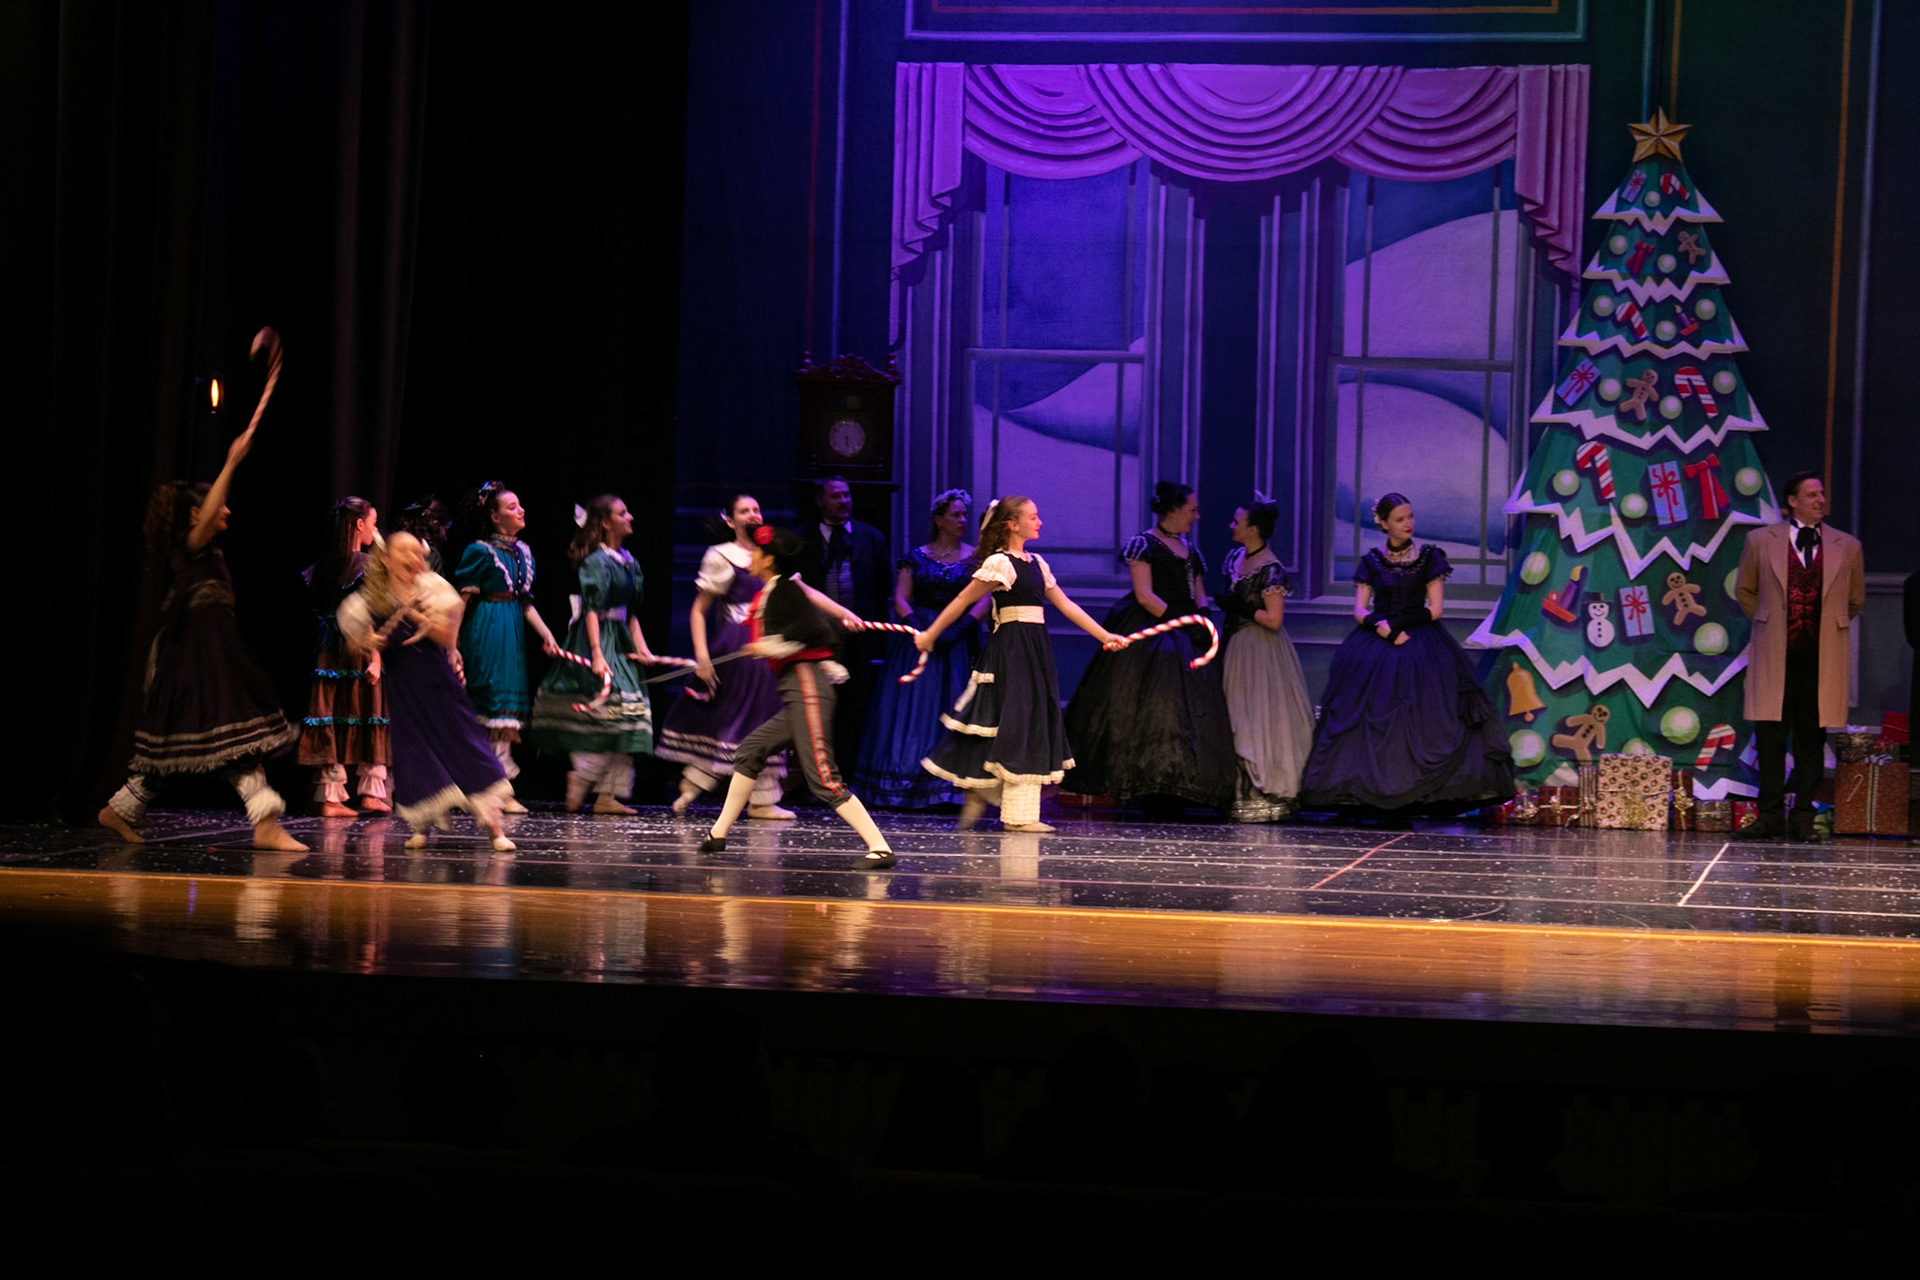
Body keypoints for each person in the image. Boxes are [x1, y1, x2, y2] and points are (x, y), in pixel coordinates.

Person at [97, 423, 306, 851]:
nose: (225, 509)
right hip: (194, 662)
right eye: (216, 505)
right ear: (196, 515)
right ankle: (266, 824)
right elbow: (210, 512)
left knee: (188, 749)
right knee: (236, 743)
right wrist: (231, 461)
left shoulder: (207, 553)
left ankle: (121, 809)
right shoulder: (187, 545)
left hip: (208, 659)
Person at [918, 496, 1128, 833]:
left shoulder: (1037, 563)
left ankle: (996, 797)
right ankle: (1014, 814)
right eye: (1033, 517)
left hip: (1035, 649)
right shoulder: (1000, 563)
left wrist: (1104, 635)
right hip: (1011, 650)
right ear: (1012, 525)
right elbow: (962, 600)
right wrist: (931, 633)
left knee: (1030, 720)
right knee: (1016, 719)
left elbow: (1067, 605)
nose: (1039, 522)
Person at [696, 525, 897, 869]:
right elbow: (812, 627)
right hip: (797, 690)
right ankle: (718, 834)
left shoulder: (783, 591)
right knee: (751, 750)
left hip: (807, 686)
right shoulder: (777, 591)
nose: (751, 558)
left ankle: (880, 847)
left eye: (756, 553)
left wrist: (768, 645)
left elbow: (815, 632)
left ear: (768, 560)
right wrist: (769, 645)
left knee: (822, 776)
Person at [1300, 492, 1515, 813]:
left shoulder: (1429, 557)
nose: (1408, 524)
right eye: (1400, 519)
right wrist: (1383, 628)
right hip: (1377, 641)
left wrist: (1400, 625)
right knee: (1370, 715)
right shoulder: (1372, 561)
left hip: (1420, 641)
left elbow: (1436, 609)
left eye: (1410, 517)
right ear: (1384, 524)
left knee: (1425, 715)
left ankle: (1416, 794)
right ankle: (1371, 793)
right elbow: (1359, 610)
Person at [1062, 481, 1237, 812]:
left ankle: (1180, 787)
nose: (1197, 516)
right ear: (1173, 510)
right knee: (1155, 706)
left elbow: (1199, 592)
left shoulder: (1191, 550)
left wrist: (1202, 617)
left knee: (1189, 709)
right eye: (1192, 510)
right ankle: (1151, 787)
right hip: (1155, 629)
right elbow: (1145, 596)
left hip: (1187, 632)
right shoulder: (1144, 545)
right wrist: (1180, 621)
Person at [339, 532, 514, 852]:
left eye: (416, 553)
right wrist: (367, 642)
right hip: (404, 690)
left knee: (465, 746)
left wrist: (416, 614)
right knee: (414, 753)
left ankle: (495, 827)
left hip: (439, 685)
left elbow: (445, 638)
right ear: (387, 560)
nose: (412, 558)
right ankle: (421, 825)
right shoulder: (373, 598)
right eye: (403, 552)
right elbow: (353, 642)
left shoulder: (432, 589)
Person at [1735, 471, 1866, 841]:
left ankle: (1804, 817)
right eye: (1812, 495)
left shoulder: (1847, 546)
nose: (1820, 500)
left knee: (1811, 738)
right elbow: (1745, 590)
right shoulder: (1760, 541)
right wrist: (1768, 623)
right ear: (1792, 501)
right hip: (1776, 654)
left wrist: (1824, 627)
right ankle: (1770, 815)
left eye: (1822, 494)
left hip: (1820, 657)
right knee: (1771, 737)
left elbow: (1854, 600)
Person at [656, 494, 792, 820]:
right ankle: (695, 785)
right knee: (733, 718)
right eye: (745, 511)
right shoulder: (721, 556)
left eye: (757, 509)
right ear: (730, 521)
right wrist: (702, 657)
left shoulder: (771, 553)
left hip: (768, 644)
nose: (753, 514)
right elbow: (698, 610)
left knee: (762, 718)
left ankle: (759, 798)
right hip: (739, 645)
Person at [852, 488, 989, 808]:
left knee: (954, 703)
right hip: (918, 639)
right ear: (939, 520)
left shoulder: (975, 558)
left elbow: (983, 600)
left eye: (964, 515)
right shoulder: (915, 557)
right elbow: (901, 599)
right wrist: (922, 629)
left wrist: (957, 629)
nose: (962, 520)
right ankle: (903, 781)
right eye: (955, 515)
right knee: (909, 708)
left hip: (957, 641)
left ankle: (949, 785)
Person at [528, 495, 657, 814]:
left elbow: (631, 613)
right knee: (604, 713)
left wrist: (642, 646)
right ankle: (583, 777)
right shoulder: (597, 562)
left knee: (628, 716)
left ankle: (608, 795)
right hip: (596, 637)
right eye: (622, 513)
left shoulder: (628, 561)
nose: (630, 517)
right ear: (605, 522)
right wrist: (597, 654)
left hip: (620, 638)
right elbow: (591, 610)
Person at [452, 481, 559, 811]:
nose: (521, 510)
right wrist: (451, 644)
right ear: (495, 517)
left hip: (511, 630)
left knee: (506, 711)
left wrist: (547, 634)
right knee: (489, 702)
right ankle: (487, 785)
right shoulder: (480, 551)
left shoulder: (523, 552)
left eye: (520, 505)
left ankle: (496, 785)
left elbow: (524, 602)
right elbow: (461, 601)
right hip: (487, 629)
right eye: (512, 507)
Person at [1219, 496, 1316, 822]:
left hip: (1260, 650)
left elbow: (1274, 620)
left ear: (1253, 530)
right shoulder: (1234, 558)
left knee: (1258, 717)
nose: (1232, 526)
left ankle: (1263, 793)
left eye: (1237, 522)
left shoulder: (1270, 569)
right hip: (1235, 646)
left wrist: (1243, 607)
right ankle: (1238, 791)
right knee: (1235, 715)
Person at [297, 497, 391, 817]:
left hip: (327, 648)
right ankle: (370, 793)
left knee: (331, 712)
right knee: (368, 712)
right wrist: (375, 657)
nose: (375, 530)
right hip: (357, 645)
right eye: (373, 524)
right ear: (359, 524)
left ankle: (331, 796)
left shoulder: (324, 565)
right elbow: (367, 615)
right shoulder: (365, 564)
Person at [797, 475, 893, 768]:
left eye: (846, 495)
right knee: (817, 706)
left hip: (857, 639)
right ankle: (816, 773)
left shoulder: (871, 537)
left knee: (855, 706)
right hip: (817, 638)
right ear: (819, 500)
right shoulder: (802, 539)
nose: (843, 501)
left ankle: (848, 773)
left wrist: (875, 639)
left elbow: (883, 588)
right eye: (835, 496)